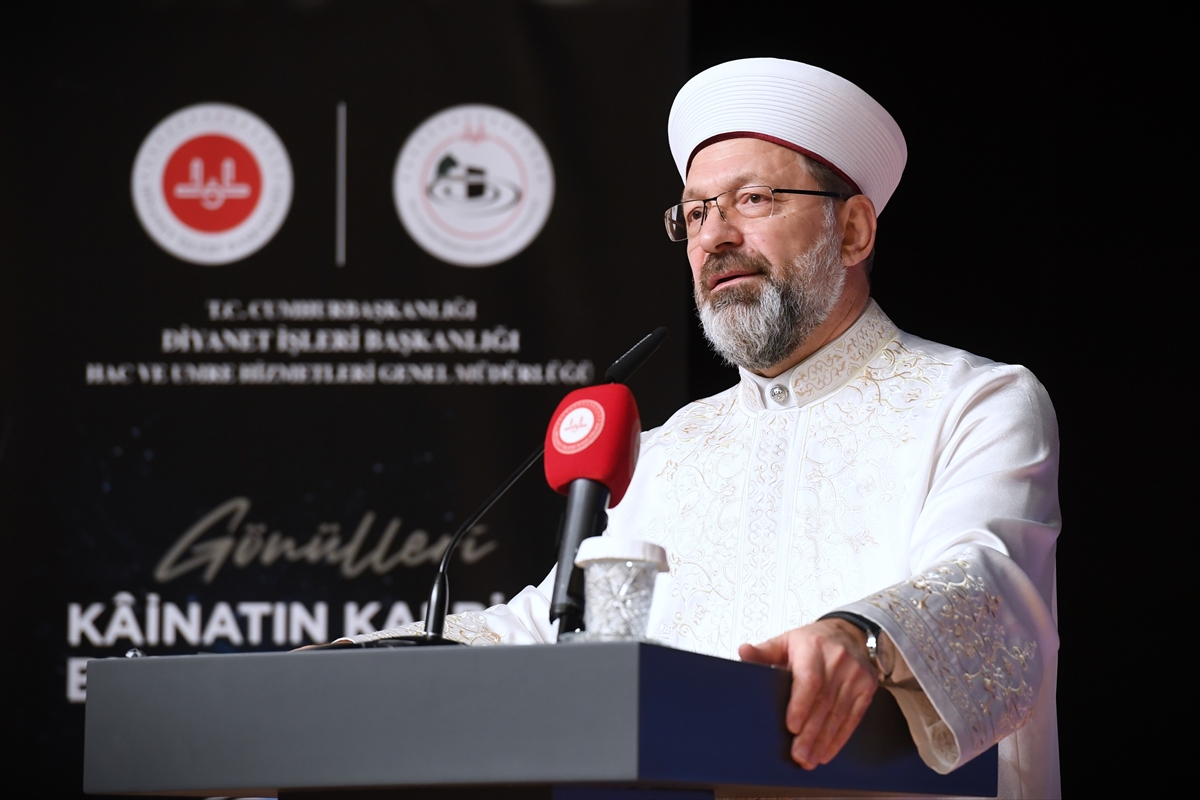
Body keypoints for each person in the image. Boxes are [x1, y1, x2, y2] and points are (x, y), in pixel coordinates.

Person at [347, 58, 1060, 799]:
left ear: (851, 229)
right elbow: (550, 627)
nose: (714, 237)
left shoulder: (975, 401)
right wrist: (357, 659)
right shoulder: (667, 452)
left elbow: (989, 585)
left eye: (752, 199)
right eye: (694, 214)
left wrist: (862, 636)